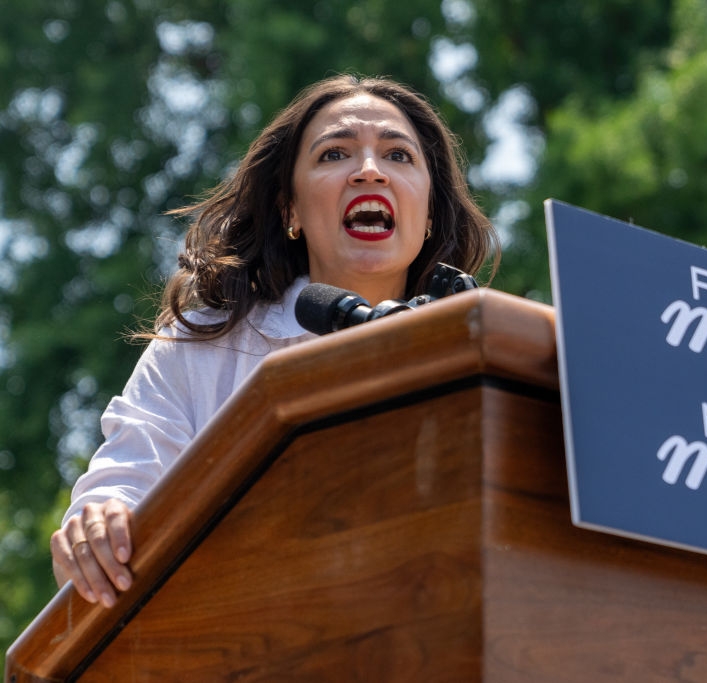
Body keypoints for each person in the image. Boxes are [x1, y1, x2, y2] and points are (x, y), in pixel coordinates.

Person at [49, 74, 499, 608]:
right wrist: (98, 525)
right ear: (290, 210)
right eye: (335, 154)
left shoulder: (490, 355)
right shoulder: (202, 348)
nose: (370, 171)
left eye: (398, 156)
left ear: (427, 214)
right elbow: (120, 494)